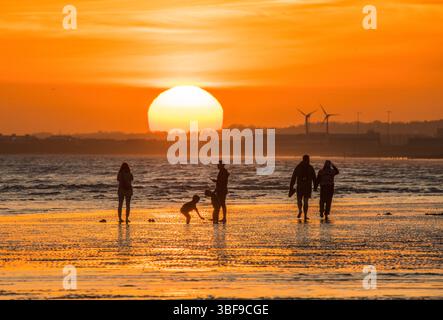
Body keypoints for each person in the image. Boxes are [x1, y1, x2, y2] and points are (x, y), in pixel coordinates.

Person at [289, 155, 316, 220]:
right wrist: (315, 186)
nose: (309, 161)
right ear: (307, 159)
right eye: (308, 159)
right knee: (305, 201)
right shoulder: (310, 167)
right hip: (307, 187)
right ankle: (305, 215)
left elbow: (293, 177)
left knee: (299, 200)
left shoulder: (298, 167)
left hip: (300, 187)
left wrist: (291, 187)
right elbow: (314, 178)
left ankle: (300, 211)